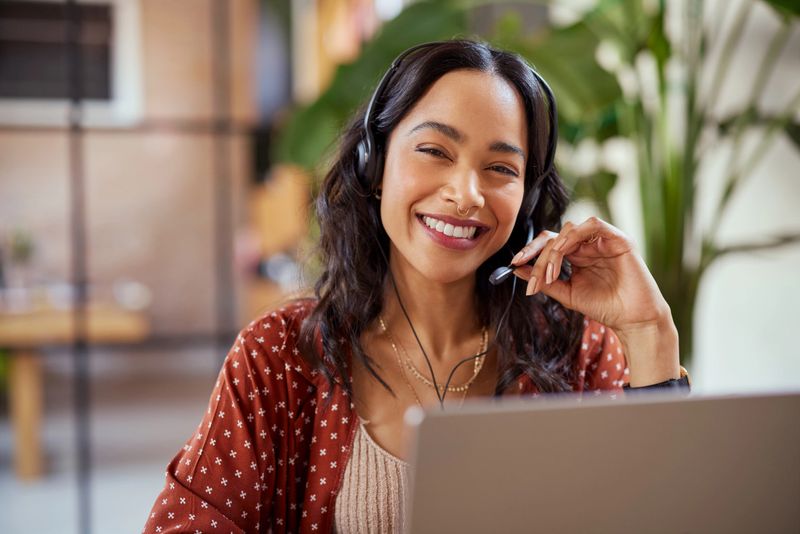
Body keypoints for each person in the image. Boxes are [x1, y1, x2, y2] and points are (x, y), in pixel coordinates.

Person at [143, 39, 687, 534]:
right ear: (374, 165)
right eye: (435, 151)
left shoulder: (578, 350)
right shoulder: (279, 357)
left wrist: (649, 329)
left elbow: (668, 514)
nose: (467, 193)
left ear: (526, 197)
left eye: (501, 167)